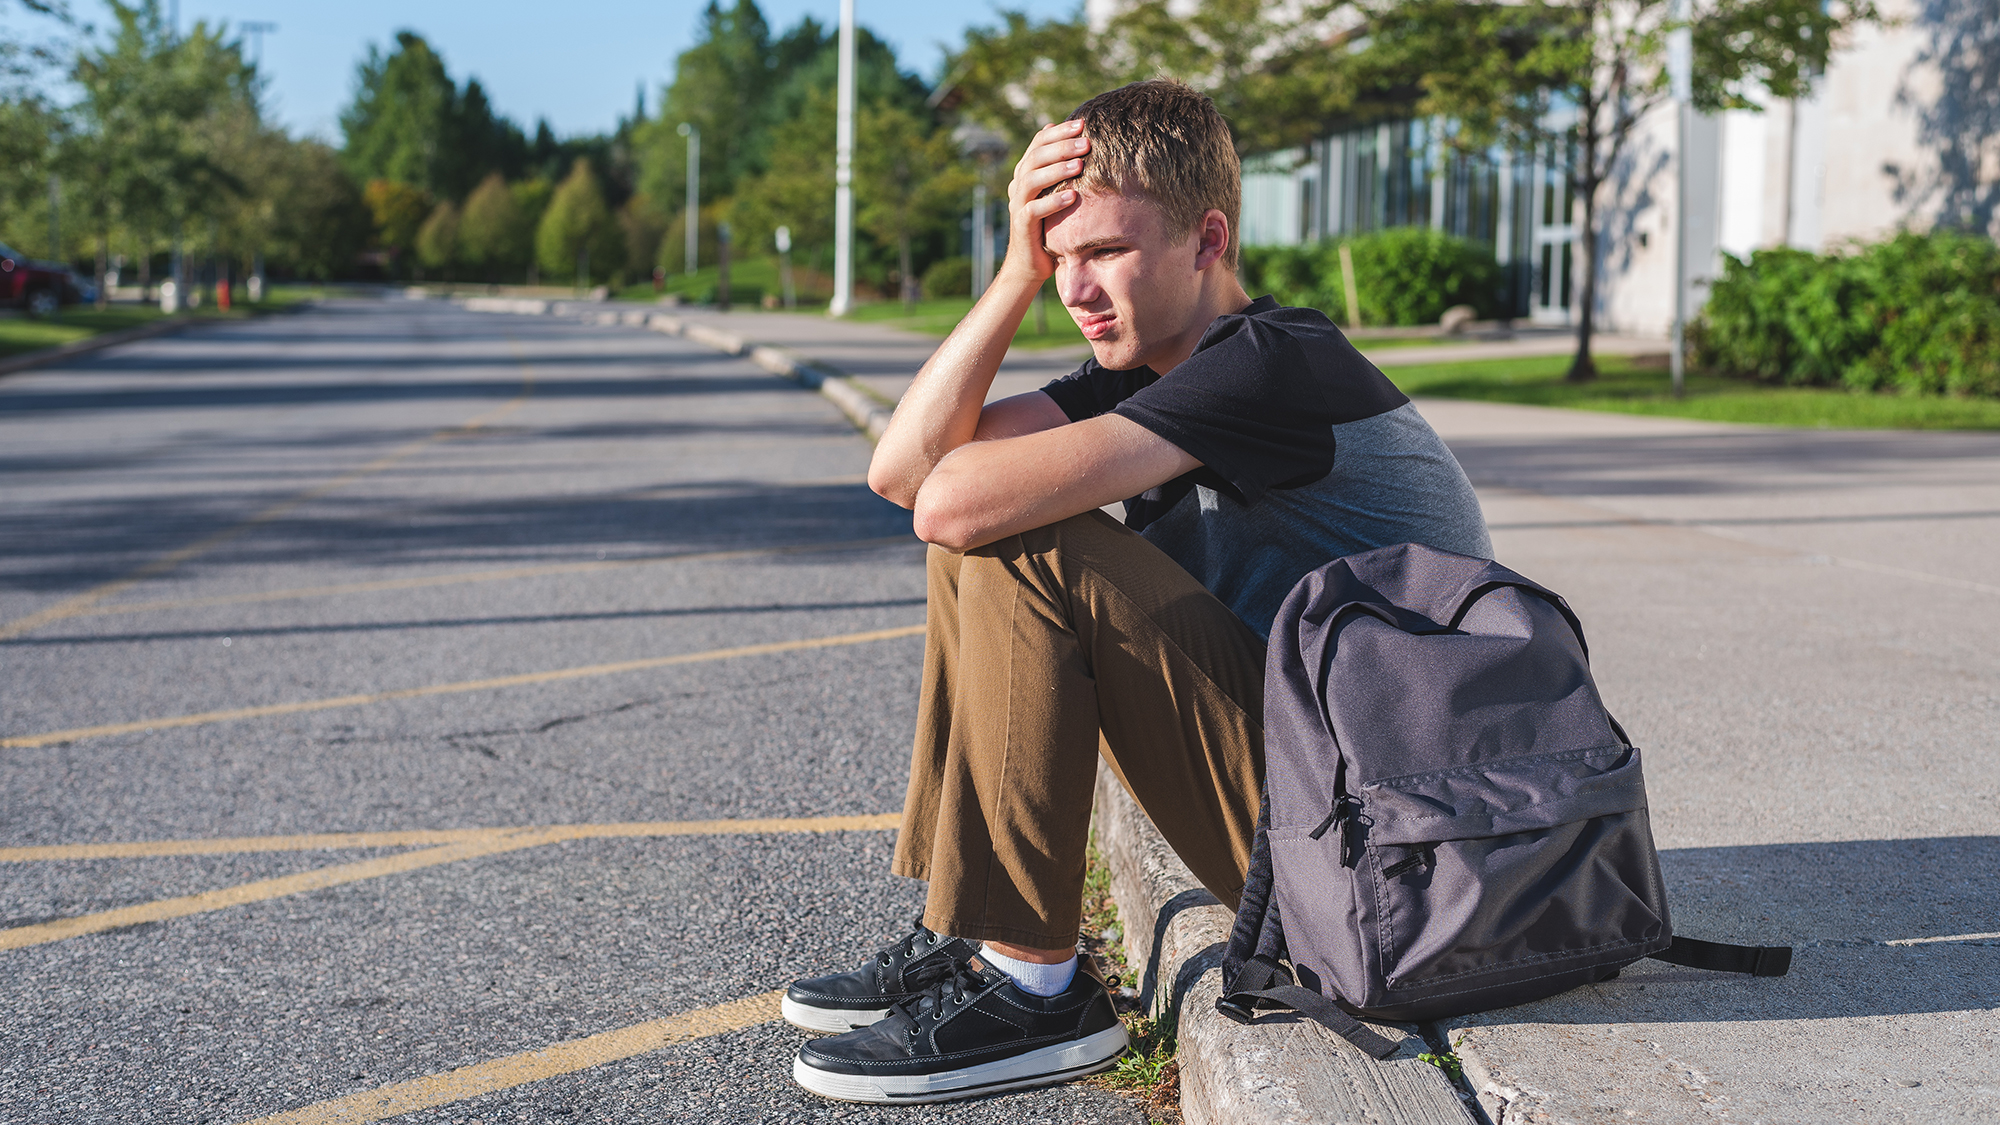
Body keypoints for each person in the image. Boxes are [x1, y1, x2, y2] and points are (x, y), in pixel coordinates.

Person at [784, 79, 1493, 1105]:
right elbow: (903, 471)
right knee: (985, 526)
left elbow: (945, 503)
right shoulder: (1149, 372)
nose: (1077, 288)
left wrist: (975, 464)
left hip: (1393, 863)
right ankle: (979, 934)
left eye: (1105, 251)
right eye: (1059, 259)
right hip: (1331, 818)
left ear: (1208, 242)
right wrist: (1013, 274)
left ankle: (1035, 990)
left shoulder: (1265, 366)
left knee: (1025, 543)